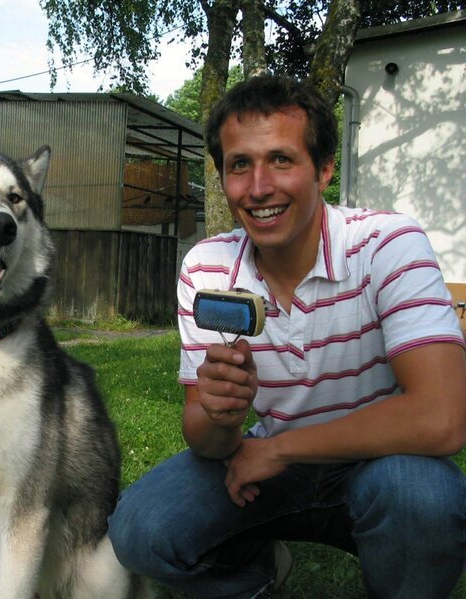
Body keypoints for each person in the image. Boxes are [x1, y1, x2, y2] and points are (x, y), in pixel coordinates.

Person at [108, 75, 466, 598]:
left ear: (323, 170)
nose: (258, 188)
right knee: (141, 530)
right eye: (239, 165)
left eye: (281, 159)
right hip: (266, 471)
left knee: (422, 497)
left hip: (384, 461)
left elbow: (442, 418)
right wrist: (221, 416)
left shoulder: (387, 244)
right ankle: (258, 578)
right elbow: (205, 440)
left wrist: (281, 450)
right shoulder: (208, 267)